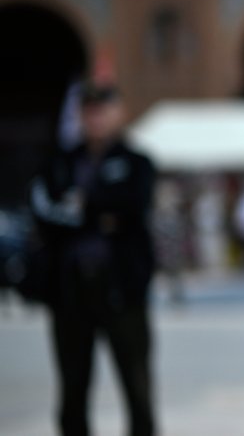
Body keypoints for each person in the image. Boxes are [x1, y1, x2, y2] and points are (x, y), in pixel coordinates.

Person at [28, 81, 158, 436]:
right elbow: (44, 213)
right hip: (70, 291)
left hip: (120, 289)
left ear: (120, 113)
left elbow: (131, 207)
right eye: (89, 111)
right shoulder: (61, 161)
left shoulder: (136, 161)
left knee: (137, 388)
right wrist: (96, 214)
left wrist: (84, 209)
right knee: (73, 389)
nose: (95, 119)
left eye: (103, 110)